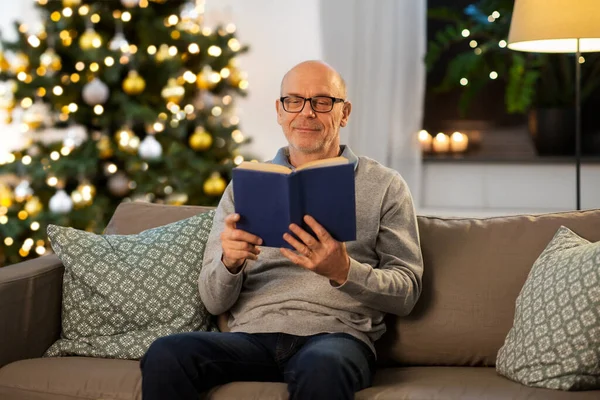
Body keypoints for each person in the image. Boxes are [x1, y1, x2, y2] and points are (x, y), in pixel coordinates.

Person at [140, 60, 424, 400]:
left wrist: (344, 271)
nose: (306, 113)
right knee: (167, 353)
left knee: (323, 367)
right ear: (279, 110)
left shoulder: (385, 185)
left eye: (322, 102)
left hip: (336, 337)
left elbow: (407, 293)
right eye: (294, 101)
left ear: (344, 112)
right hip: (251, 338)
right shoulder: (245, 187)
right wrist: (230, 263)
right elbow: (214, 301)